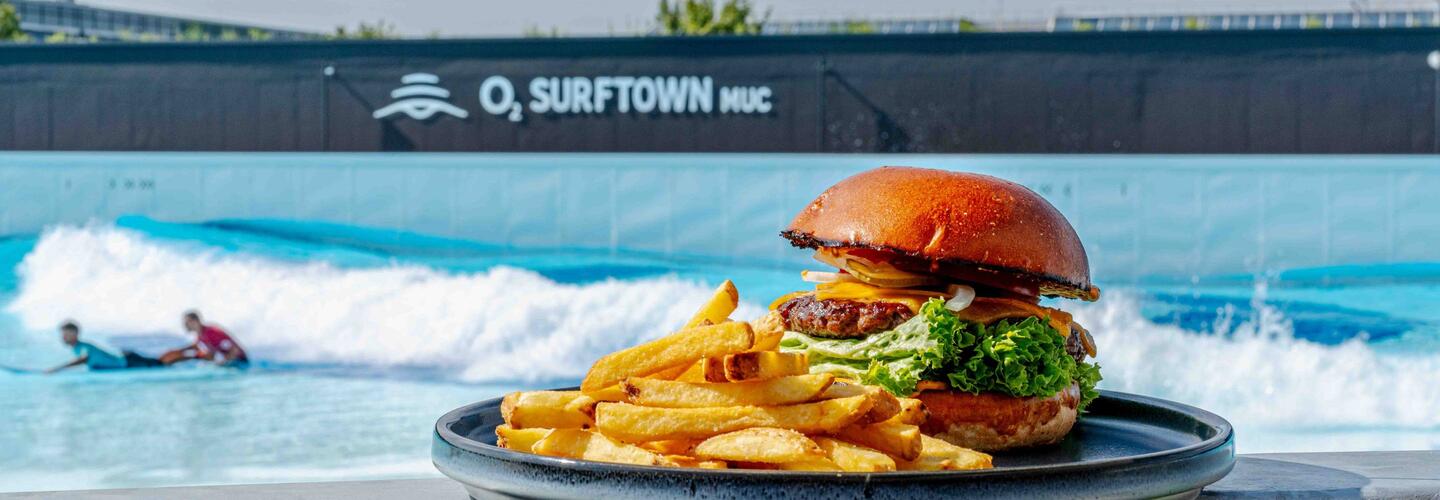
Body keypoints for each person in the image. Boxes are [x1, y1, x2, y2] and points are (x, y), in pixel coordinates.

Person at [46, 321, 164, 374]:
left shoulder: (83, 346)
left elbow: (83, 359)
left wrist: (58, 369)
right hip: (127, 360)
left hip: (129, 362)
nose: (63, 338)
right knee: (163, 362)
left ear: (76, 334)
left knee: (164, 363)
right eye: (62, 335)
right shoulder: (76, 348)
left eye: (66, 335)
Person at [160, 311, 249, 368]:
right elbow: (195, 346)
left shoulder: (212, 332)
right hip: (229, 362)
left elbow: (235, 350)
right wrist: (177, 351)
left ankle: (165, 363)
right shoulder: (201, 335)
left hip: (239, 363)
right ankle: (165, 362)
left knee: (195, 356)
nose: (184, 325)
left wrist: (222, 364)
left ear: (195, 321)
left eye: (186, 322)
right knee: (192, 356)